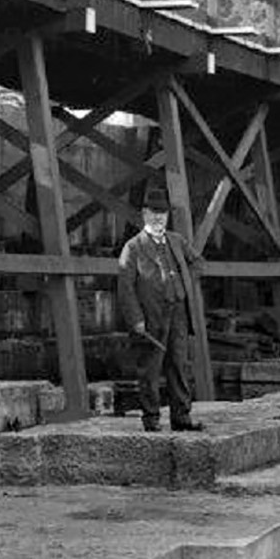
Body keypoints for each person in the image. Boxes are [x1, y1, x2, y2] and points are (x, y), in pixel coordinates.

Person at [117, 183, 202, 432]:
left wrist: (185, 281)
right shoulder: (133, 247)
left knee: (178, 364)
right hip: (150, 315)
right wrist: (136, 320)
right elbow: (125, 289)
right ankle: (151, 419)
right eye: (153, 213)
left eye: (162, 213)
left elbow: (198, 262)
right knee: (150, 369)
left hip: (177, 313)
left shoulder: (176, 240)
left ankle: (181, 418)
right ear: (144, 214)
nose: (158, 217)